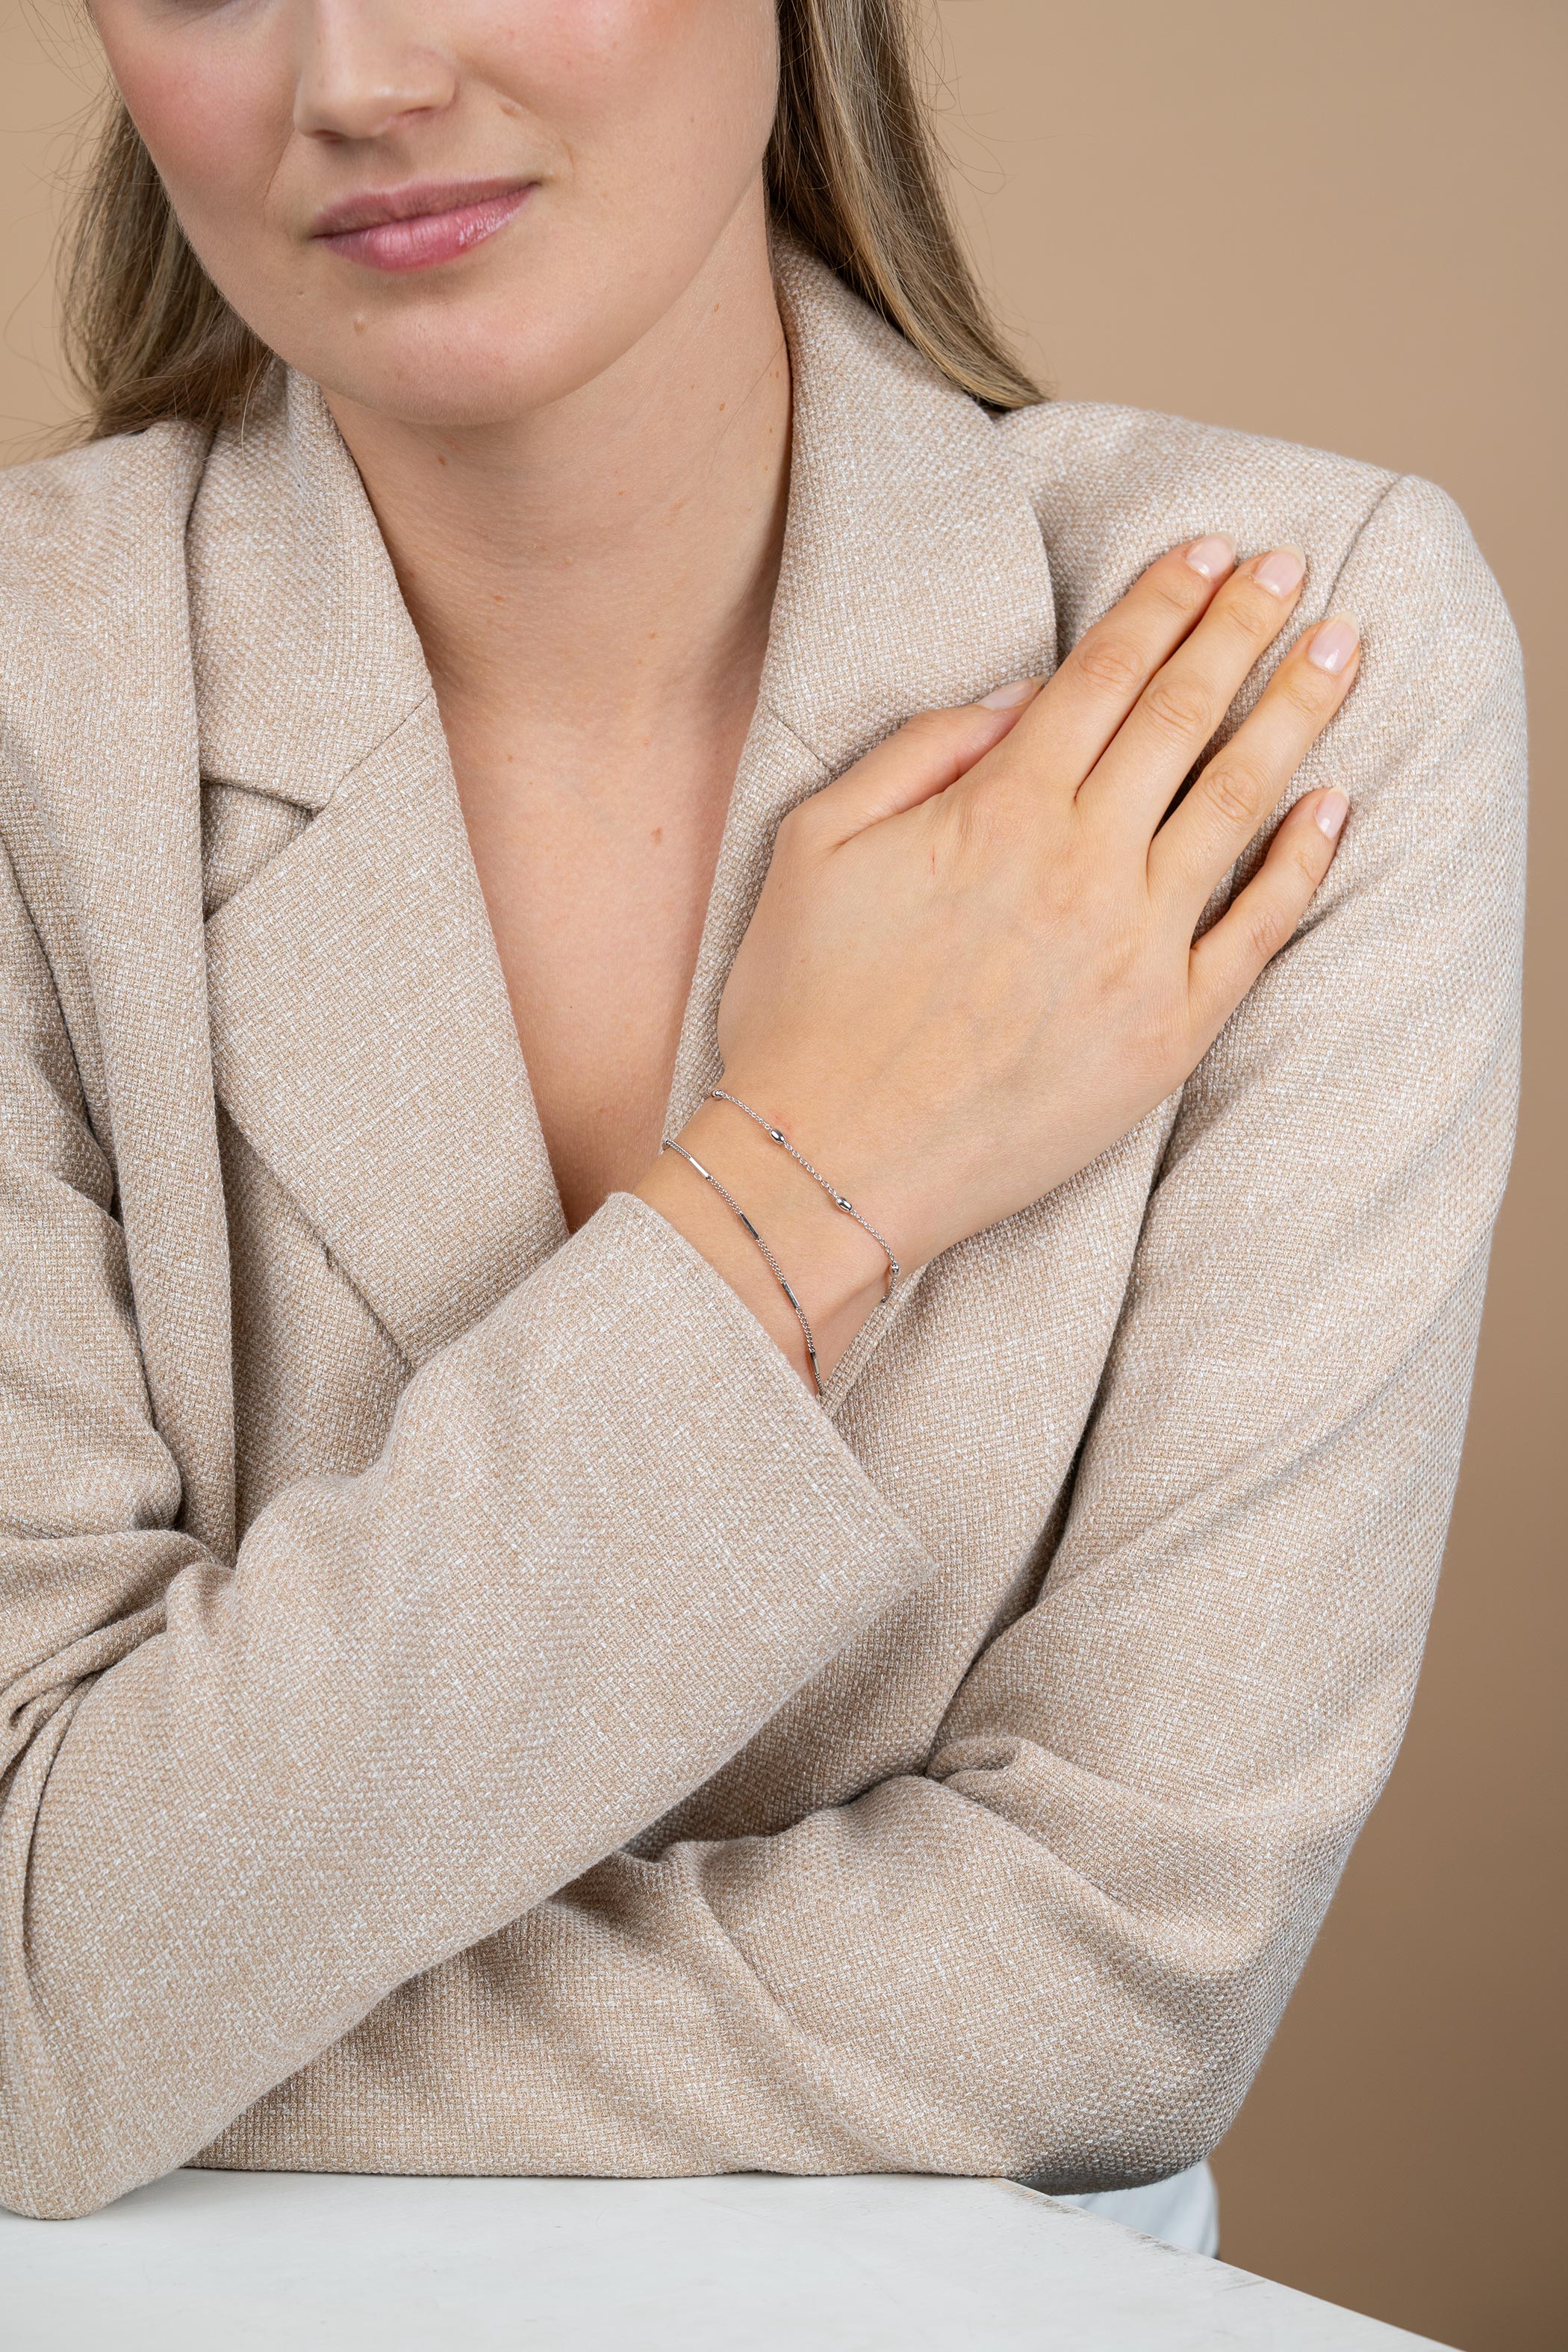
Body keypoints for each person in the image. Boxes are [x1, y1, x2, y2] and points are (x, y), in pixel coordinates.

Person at [0, 0, 1523, 2244]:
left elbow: (1126, 1977)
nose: (359, 80)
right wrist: (804, 1185)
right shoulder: (36, 705)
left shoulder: (1283, 655)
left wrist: (145, 2003)